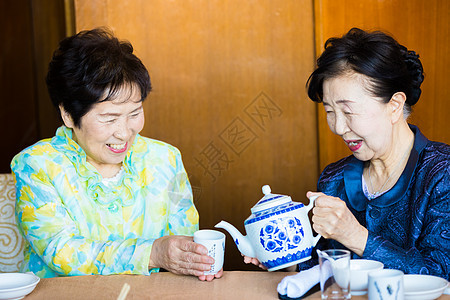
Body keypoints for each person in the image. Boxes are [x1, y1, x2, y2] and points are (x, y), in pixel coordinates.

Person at [11, 28, 222, 281]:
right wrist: (152, 253)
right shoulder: (37, 165)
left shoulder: (165, 159)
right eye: (109, 118)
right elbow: (61, 250)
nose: (124, 133)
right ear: (68, 114)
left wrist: (194, 260)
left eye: (134, 113)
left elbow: (182, 239)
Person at [246, 28, 450, 279]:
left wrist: (355, 236)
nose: (339, 128)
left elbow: (441, 274)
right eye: (330, 111)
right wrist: (283, 258)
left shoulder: (442, 174)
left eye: (348, 111)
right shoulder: (334, 178)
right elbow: (322, 270)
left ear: (394, 105)